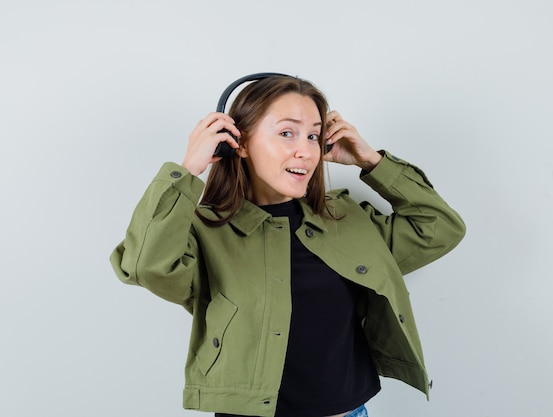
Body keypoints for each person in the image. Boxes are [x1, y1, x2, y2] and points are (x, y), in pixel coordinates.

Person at [110, 75, 465, 417]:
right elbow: (144, 266)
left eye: (313, 136)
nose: (305, 151)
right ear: (240, 142)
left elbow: (440, 228)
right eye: (286, 133)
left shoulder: (347, 219)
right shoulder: (205, 229)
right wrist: (187, 169)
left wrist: (371, 161)